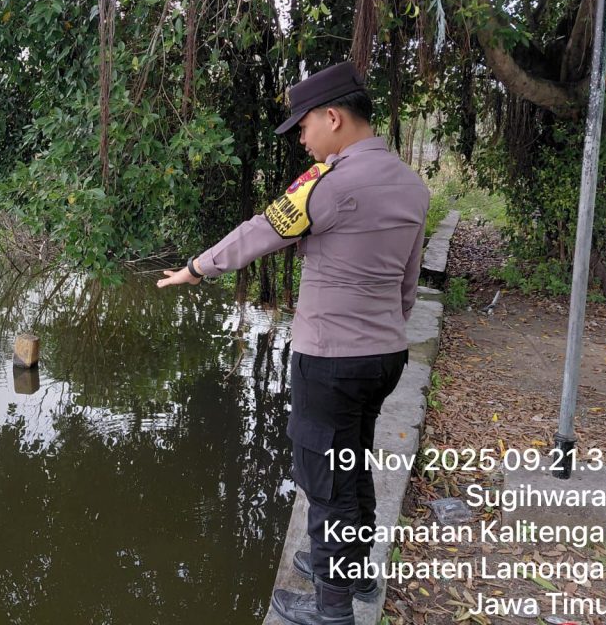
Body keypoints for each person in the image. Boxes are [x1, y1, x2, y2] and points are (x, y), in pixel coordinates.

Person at [157, 61, 429, 625]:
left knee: (325, 480)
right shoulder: (411, 184)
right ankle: (356, 571)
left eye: (303, 127)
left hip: (330, 358)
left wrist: (196, 268)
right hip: (385, 354)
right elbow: (408, 280)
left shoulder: (329, 185)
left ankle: (332, 610)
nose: (302, 140)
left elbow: (260, 231)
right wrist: (388, 330)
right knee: (352, 462)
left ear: (333, 117)